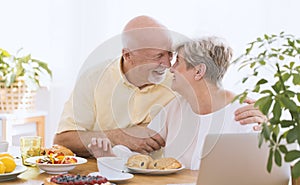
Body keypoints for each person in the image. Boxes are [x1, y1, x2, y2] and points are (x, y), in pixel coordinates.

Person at [54, 16, 265, 157]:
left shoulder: (178, 86)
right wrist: (114, 142)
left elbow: (209, 86)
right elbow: (63, 139)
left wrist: (262, 114)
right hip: (116, 177)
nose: (168, 65)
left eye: (172, 56)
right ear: (128, 55)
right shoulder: (94, 79)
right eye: (158, 56)